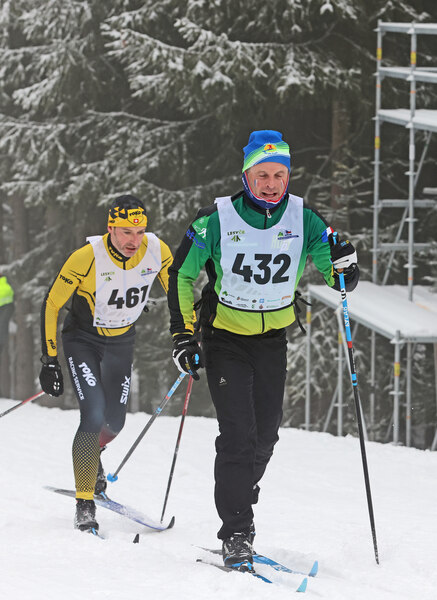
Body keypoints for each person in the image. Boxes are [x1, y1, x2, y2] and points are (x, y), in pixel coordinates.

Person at [167, 130, 359, 570]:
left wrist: (345, 266)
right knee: (238, 435)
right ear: (246, 176)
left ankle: (238, 495)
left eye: (279, 175)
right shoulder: (215, 219)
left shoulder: (306, 219)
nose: (271, 184)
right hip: (225, 338)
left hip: (273, 340)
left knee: (265, 437)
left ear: (288, 176)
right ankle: (237, 531)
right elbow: (181, 274)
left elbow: (336, 273)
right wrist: (183, 335)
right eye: (262, 175)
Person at [39, 195, 172, 532]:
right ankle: (85, 502)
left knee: (115, 422)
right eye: (126, 232)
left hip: (121, 342)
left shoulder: (156, 250)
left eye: (139, 232)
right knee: (94, 413)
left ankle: (92, 456)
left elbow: (178, 292)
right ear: (110, 228)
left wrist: (192, 334)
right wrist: (50, 359)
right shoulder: (86, 257)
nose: (133, 240)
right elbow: (52, 303)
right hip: (83, 340)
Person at [0, 274, 14, 357]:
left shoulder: (5, 282)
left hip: (6, 307)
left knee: (2, 326)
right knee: (3, 326)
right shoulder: (6, 282)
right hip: (7, 306)